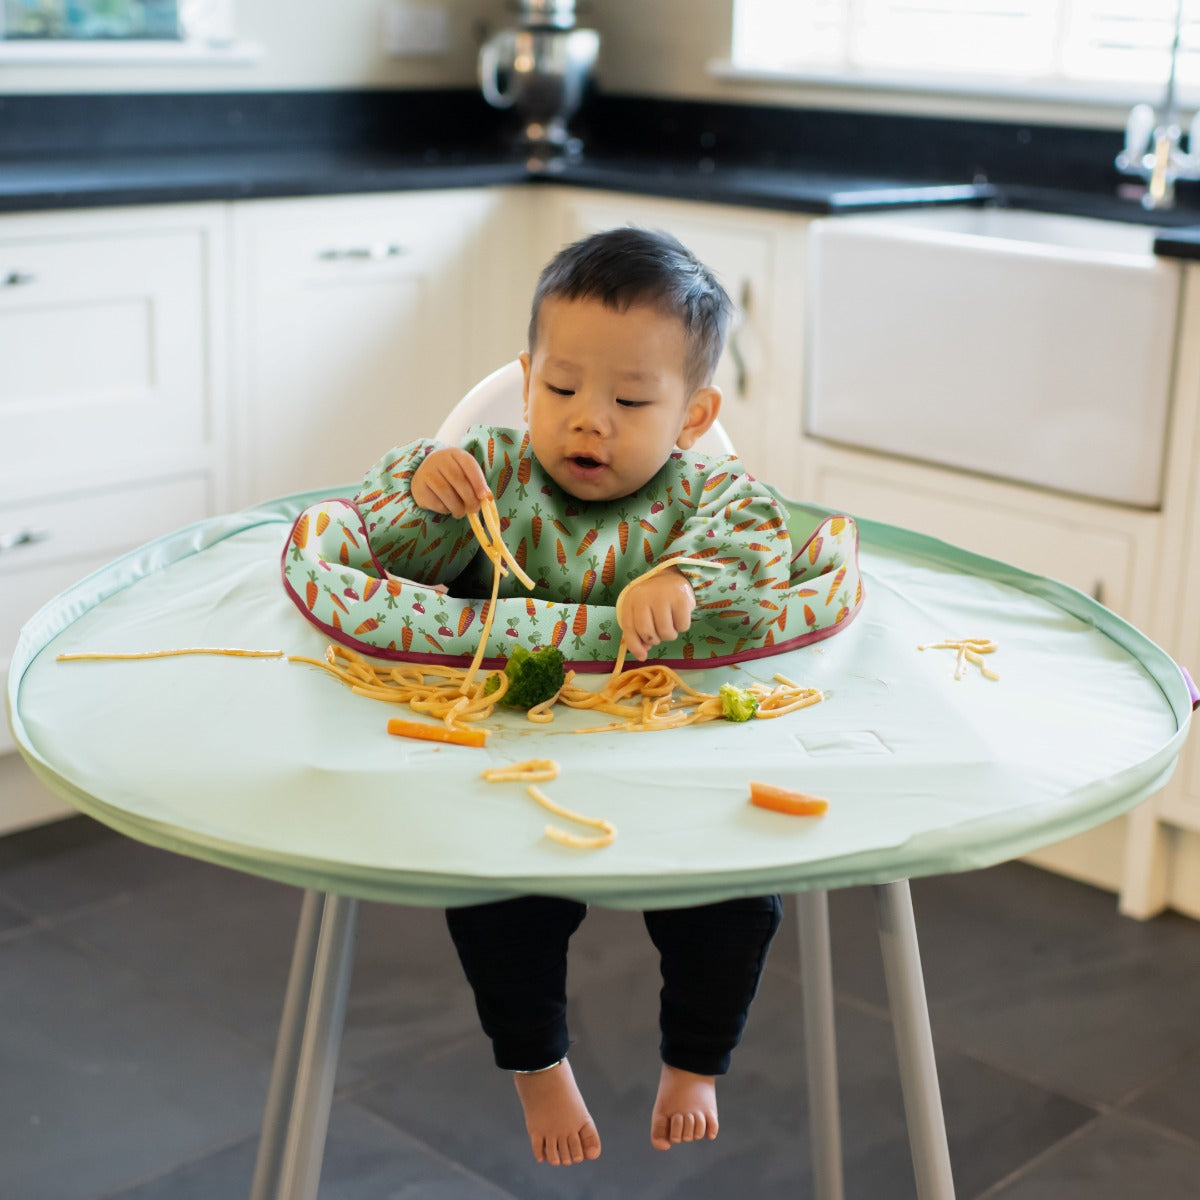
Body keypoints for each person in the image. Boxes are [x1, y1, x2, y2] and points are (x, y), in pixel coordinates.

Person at [354, 227, 791, 1165]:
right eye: (560, 390)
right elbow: (391, 559)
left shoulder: (704, 495)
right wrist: (426, 496)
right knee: (491, 894)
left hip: (668, 756)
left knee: (741, 895)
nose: (589, 420)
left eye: (631, 400)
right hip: (518, 755)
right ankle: (537, 1065)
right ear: (525, 383)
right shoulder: (497, 476)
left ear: (691, 414)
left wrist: (683, 580)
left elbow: (763, 546)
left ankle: (697, 1062)